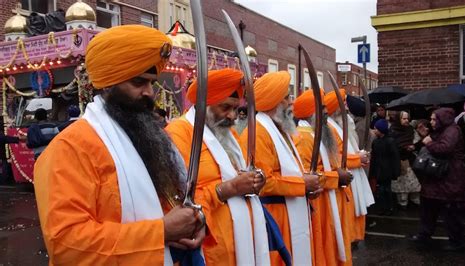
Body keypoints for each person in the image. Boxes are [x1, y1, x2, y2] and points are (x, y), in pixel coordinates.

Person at [33, 25, 204, 264]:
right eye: (138, 83)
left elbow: (172, 202)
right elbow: (66, 244)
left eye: (152, 84)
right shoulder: (69, 148)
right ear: (109, 84)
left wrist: (194, 224)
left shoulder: (150, 138)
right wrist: (161, 232)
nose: (149, 93)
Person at [166, 68, 269, 265]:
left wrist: (257, 178)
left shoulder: (230, 136)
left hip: (243, 243)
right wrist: (228, 189)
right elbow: (175, 201)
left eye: (236, 109)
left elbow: (244, 172)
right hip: (211, 250)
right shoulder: (178, 134)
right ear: (205, 104)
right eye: (225, 108)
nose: (232, 116)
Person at [241, 71, 321, 265]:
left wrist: (308, 187)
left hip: (289, 212)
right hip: (275, 218)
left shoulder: (278, 129)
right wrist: (302, 184)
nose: (291, 103)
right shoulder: (258, 132)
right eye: (286, 98)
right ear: (273, 101)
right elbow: (263, 183)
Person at [292, 88, 353, 265]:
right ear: (311, 113)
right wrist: (336, 177)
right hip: (319, 203)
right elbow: (307, 176)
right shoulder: (302, 138)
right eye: (322, 109)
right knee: (321, 247)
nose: (326, 112)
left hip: (330, 199)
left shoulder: (319, 133)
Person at [411, 108, 465, 252]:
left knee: (451, 212)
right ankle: (424, 235)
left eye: (434, 119)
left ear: (443, 119)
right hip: (438, 178)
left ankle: (457, 241)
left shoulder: (452, 130)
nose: (431, 122)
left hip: (450, 178)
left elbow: (445, 148)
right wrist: (427, 136)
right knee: (428, 207)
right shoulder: (444, 130)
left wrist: (428, 142)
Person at [325, 89, 374, 244]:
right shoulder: (329, 127)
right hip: (343, 178)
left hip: (352, 176)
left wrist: (359, 155)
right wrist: (357, 159)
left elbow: (349, 148)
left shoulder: (341, 122)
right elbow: (334, 157)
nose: (346, 107)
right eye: (342, 104)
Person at [390, 111, 421, 209]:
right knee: (401, 185)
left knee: (414, 182)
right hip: (399, 160)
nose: (406, 121)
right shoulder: (393, 130)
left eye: (407, 118)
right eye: (404, 119)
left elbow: (418, 141)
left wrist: (414, 146)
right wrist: (403, 148)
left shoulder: (411, 129)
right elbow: (391, 145)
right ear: (399, 119)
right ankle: (403, 203)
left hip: (411, 160)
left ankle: (415, 201)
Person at [369, 119, 400, 215]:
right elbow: (374, 157)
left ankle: (388, 207)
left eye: (375, 129)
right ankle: (384, 207)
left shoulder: (390, 142)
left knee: (385, 189)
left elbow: (395, 157)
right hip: (380, 170)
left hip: (386, 170)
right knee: (382, 189)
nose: (374, 131)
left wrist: (396, 171)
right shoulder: (376, 142)